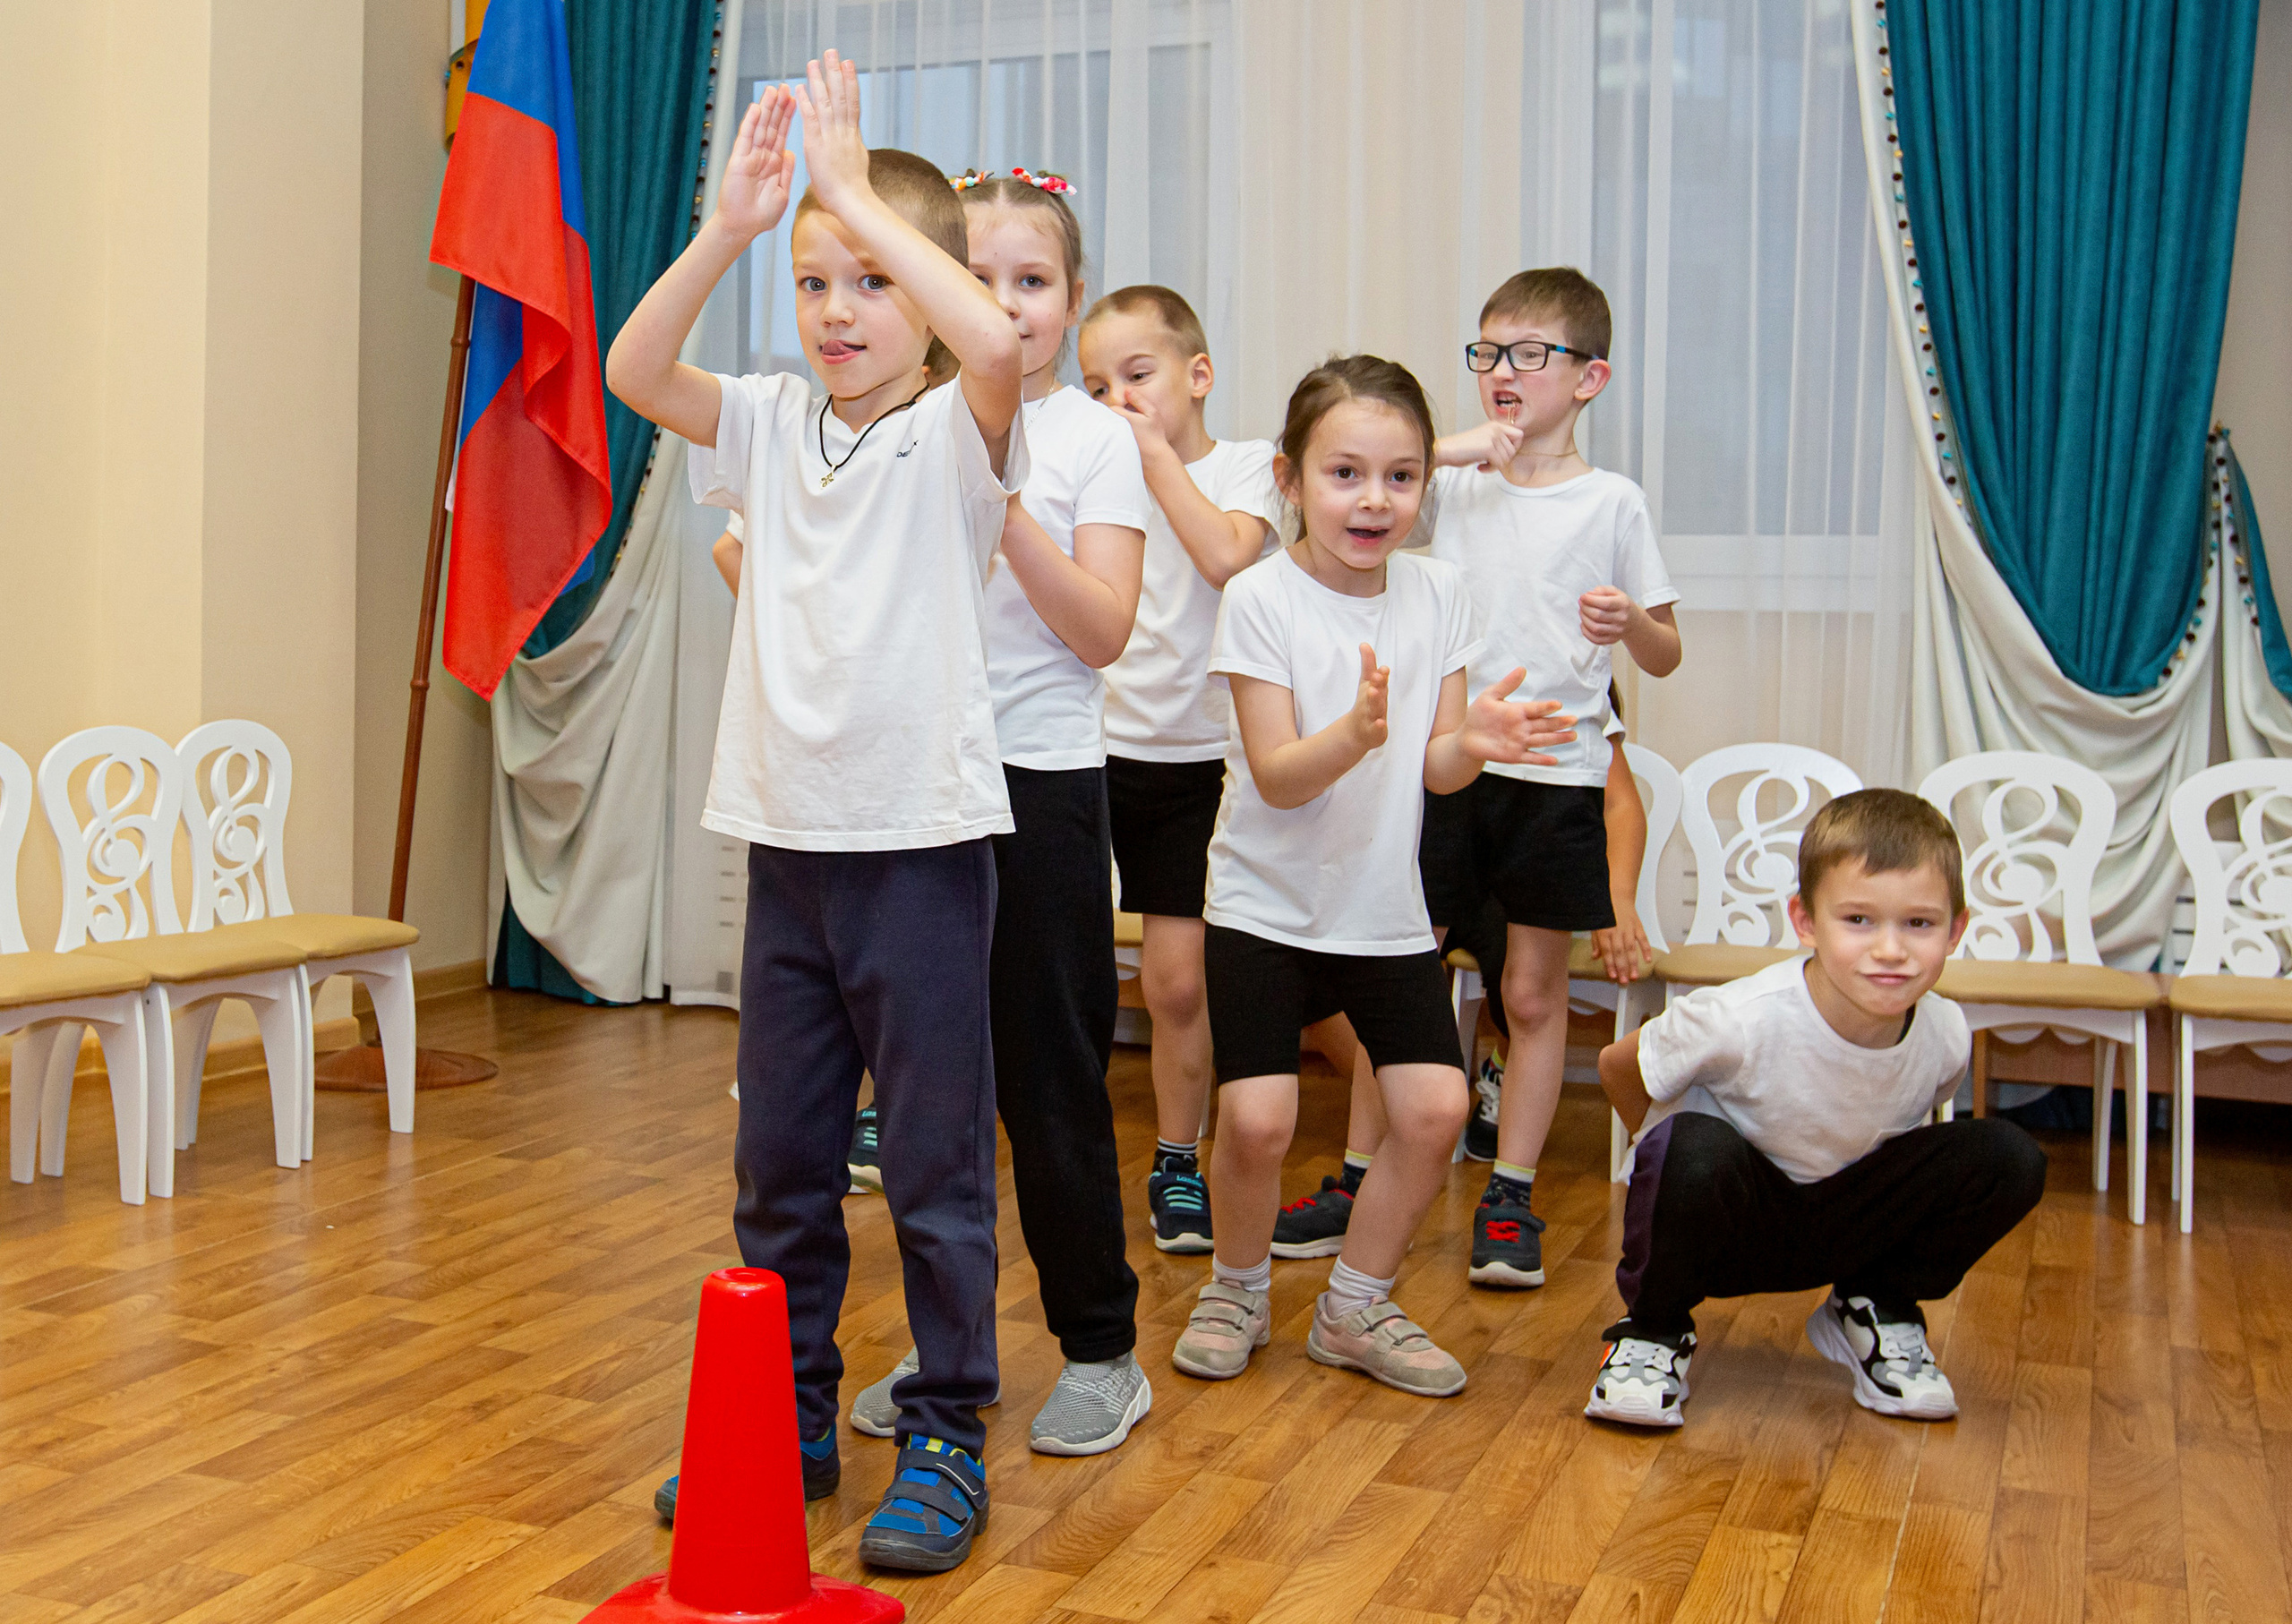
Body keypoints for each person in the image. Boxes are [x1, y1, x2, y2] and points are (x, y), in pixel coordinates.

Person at [605, 56, 1022, 1573]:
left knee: (931, 1170)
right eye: (812, 282)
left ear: (924, 290)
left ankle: (947, 1428)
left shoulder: (958, 431)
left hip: (921, 853)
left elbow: (995, 338)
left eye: (870, 280)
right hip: (789, 852)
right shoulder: (773, 421)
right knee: (779, 1167)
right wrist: (732, 230)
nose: (837, 309)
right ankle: (784, 1418)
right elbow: (635, 371)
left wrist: (853, 192)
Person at [1167, 355, 1573, 1397]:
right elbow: (1277, 775)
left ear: (1425, 486)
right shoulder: (1259, 597)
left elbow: (1437, 766)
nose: (1373, 499)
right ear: (1290, 478)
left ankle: (1354, 1305)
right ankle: (1237, 1288)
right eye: (1344, 473)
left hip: (1381, 909)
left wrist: (1475, 740)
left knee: (1434, 1109)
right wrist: (1352, 733)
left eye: (1400, 477)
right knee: (1257, 1121)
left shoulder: (1438, 592)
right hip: (1262, 906)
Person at [843, 166, 1155, 1459]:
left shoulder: (1095, 440)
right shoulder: (907, 420)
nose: (1006, 303)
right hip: (919, 788)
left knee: (1048, 1079)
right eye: (978, 277)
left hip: (1040, 786)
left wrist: (1003, 499)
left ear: (1073, 299)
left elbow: (1104, 628)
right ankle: (948, 1347)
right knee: (930, 1094)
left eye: (1032, 280)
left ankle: (1101, 1349)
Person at [1586, 790, 2047, 1428]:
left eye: (1919, 924)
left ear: (1956, 930)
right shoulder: (1737, 1018)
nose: (1891, 949)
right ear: (1805, 922)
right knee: (1689, 1145)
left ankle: (1871, 1306)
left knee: (2009, 1157)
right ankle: (1653, 1331)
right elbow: (1618, 1066)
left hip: (1845, 1225)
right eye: (1858, 920)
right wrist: (1668, 1170)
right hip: (1730, 1226)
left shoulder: (1945, 1034)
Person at [1422, 267, 1682, 1292]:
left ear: (1587, 377)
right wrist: (1451, 449)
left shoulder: (1612, 501)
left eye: (1529, 353)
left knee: (1530, 994)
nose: (1502, 370)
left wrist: (1634, 623)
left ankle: (1510, 1192)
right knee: (1401, 968)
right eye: (1487, 351)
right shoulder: (1450, 483)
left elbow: (1664, 653)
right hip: (1450, 760)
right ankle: (1363, 1171)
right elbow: (1329, 485)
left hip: (1555, 775)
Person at [1270, 705, 1653, 1259]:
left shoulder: (1573, 692)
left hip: (1535, 817)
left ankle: (1508, 1200)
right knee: (1390, 978)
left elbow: (1622, 800)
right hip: (1443, 787)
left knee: (1526, 997)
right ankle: (1358, 1185)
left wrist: (1619, 896)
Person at [1080, 285, 1285, 1254]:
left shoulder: (1246, 466)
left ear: (1197, 375)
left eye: (1137, 374)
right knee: (1049, 964)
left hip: (1198, 761)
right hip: (1090, 748)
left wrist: (1153, 455)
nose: (1115, 400)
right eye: (1094, 386)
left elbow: (1227, 559)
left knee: (1175, 984)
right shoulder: (1091, 472)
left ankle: (1175, 1159)